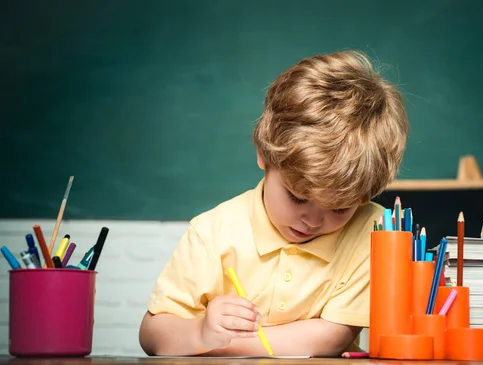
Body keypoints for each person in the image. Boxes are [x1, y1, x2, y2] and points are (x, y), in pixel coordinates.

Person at [139, 50, 409, 357]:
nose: (312, 220)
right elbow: (152, 336)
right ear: (264, 156)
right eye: (297, 197)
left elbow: (331, 337)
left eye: (339, 208)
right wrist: (201, 332)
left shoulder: (377, 232)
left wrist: (217, 346)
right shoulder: (212, 231)